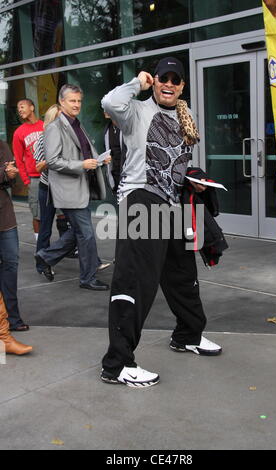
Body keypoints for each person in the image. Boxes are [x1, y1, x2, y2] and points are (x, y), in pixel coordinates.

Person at [100, 56, 222, 388]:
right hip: (142, 198)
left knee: (183, 274)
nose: (168, 84)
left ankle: (188, 335)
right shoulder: (136, 111)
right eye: (162, 78)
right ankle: (118, 363)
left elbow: (179, 165)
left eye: (175, 79)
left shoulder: (186, 116)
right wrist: (137, 83)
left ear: (182, 85)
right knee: (135, 279)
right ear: (155, 81)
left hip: (174, 201)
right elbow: (109, 101)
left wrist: (194, 181)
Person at [37, 84, 110, 291]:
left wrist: (100, 160)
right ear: (62, 102)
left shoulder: (76, 124)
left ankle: (45, 256)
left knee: (79, 232)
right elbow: (52, 161)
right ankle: (87, 278)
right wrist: (82, 165)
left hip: (82, 188)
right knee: (85, 234)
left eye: (79, 101)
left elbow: (84, 151)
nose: (77, 104)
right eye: (72, 101)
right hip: (68, 190)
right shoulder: (54, 127)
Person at [34, 104, 78, 281]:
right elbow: (38, 166)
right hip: (47, 187)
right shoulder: (42, 139)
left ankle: (48, 255)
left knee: (79, 227)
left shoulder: (69, 135)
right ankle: (41, 264)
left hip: (64, 188)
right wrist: (50, 160)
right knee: (45, 228)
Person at [0, 140, 30, 332]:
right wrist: (3, 173)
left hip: (5, 215)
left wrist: (10, 174)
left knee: (11, 263)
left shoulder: (1, 144)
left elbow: (11, 177)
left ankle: (13, 317)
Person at [12, 99, 44, 241]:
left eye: (22, 106)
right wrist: (26, 181)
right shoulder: (19, 133)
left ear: (32, 107)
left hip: (52, 176)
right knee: (37, 214)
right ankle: (40, 245)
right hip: (34, 179)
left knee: (61, 211)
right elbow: (19, 160)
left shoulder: (45, 126)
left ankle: (67, 248)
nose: (20, 110)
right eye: (18, 108)